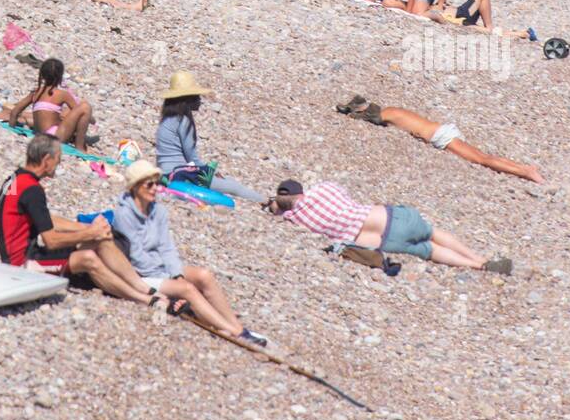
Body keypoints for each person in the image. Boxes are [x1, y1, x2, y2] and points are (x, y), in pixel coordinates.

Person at [113, 161, 266, 343]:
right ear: (136, 186)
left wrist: (176, 273)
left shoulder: (158, 211)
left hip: (159, 268)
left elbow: (167, 247)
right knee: (187, 289)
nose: (155, 188)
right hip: (138, 275)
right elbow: (137, 257)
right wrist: (171, 280)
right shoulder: (123, 215)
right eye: (150, 184)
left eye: (157, 183)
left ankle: (235, 324)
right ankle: (234, 331)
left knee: (204, 275)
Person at [0, 135, 156, 302]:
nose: (58, 164)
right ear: (46, 160)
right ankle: (143, 299)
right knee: (89, 259)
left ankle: (143, 287)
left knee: (102, 240)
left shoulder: (16, 180)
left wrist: (87, 229)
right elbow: (51, 241)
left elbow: (45, 218)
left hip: (23, 254)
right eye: (58, 159)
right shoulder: (33, 190)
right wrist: (90, 233)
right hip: (21, 265)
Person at [266, 179, 512, 272]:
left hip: (382, 243)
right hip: (388, 218)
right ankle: (480, 259)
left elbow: (279, 209)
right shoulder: (323, 190)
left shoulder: (297, 219)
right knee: (433, 233)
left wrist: (275, 204)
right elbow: (342, 191)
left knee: (431, 251)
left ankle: (475, 266)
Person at [335, 96, 543, 183]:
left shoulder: (387, 114)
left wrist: (350, 113)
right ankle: (524, 168)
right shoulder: (391, 111)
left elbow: (365, 116)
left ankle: (526, 172)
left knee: (482, 160)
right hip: (442, 132)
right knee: (483, 157)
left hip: (441, 136)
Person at [155, 70, 264, 202]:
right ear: (187, 99)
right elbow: (192, 157)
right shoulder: (183, 120)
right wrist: (209, 171)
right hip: (179, 174)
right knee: (233, 187)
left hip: (164, 172)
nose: (200, 100)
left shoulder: (167, 119)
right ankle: (267, 201)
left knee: (224, 181)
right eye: (196, 96)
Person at [6, 57, 94, 151]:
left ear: (42, 75)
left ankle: (76, 139)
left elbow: (14, 112)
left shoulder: (35, 93)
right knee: (85, 107)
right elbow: (80, 111)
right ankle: (80, 147)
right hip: (54, 136)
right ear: (60, 76)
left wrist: (12, 130)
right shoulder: (62, 94)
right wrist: (92, 119)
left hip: (39, 135)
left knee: (66, 112)